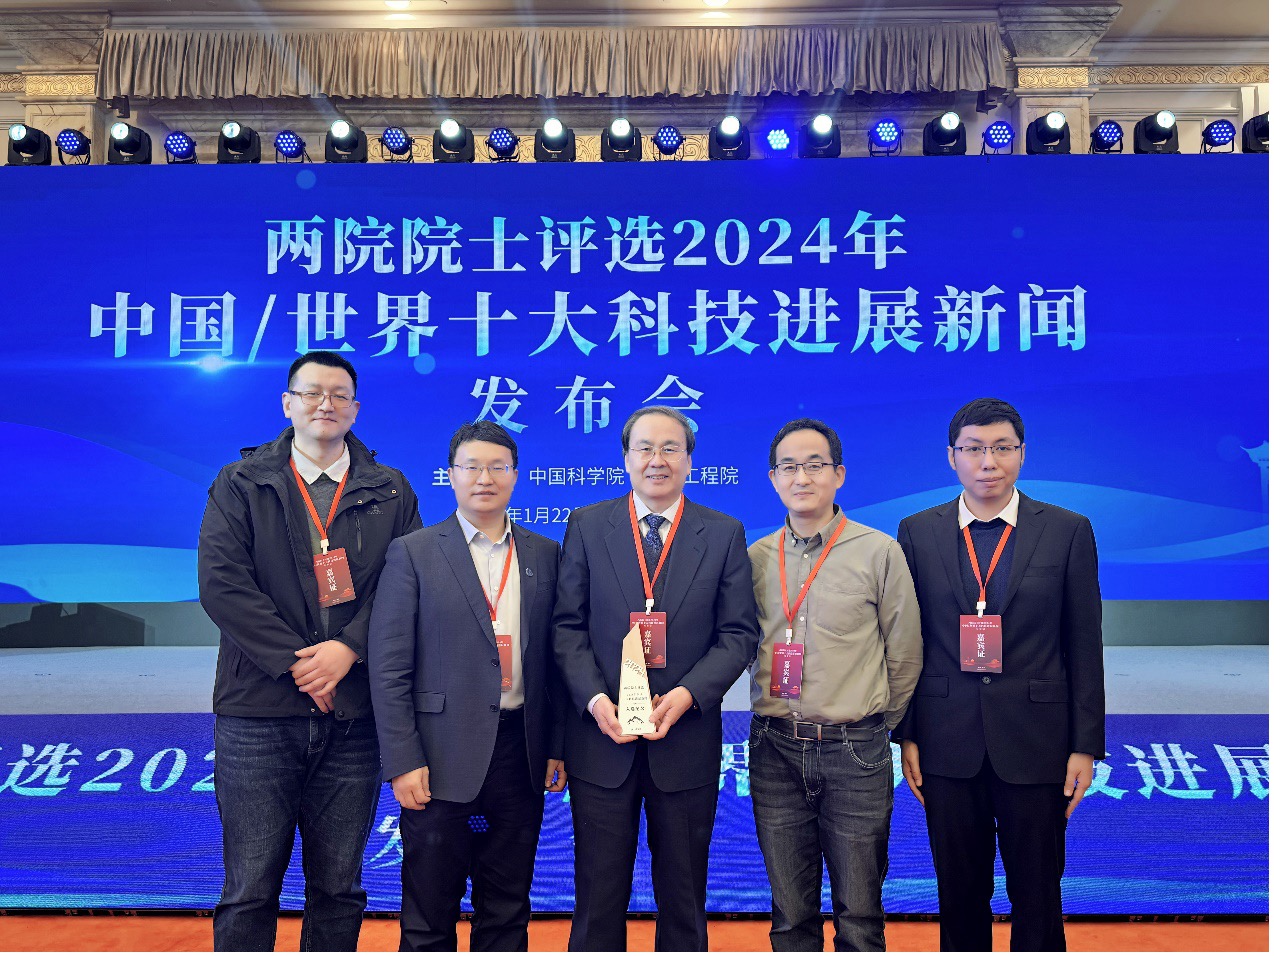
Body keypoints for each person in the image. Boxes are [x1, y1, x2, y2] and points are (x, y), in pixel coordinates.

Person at [198, 350, 422, 951]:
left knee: (339, 888)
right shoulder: (240, 482)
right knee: (249, 888)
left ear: (355, 408)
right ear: (287, 403)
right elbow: (222, 585)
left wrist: (347, 650)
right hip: (258, 712)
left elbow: (405, 586)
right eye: (312, 392)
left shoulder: (390, 489)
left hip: (354, 716)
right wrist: (301, 665)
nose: (326, 404)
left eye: (339, 394)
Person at [894, 397, 1105, 952]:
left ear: (1022, 453)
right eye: (974, 449)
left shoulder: (1067, 530)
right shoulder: (917, 532)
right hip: (945, 739)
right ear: (952, 457)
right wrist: (908, 733)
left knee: (1038, 892)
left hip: (1038, 741)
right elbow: (907, 642)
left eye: (1002, 448)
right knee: (958, 891)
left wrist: (1085, 745)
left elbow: (1084, 644)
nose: (988, 461)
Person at [553, 405, 760, 952]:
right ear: (626, 458)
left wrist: (689, 694)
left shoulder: (723, 533)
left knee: (684, 897)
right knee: (597, 898)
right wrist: (595, 701)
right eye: (644, 448)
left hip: (685, 740)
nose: (657, 460)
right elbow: (567, 627)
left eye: (671, 448)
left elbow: (739, 634)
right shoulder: (587, 525)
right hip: (603, 741)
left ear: (690, 461)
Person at [368, 420, 566, 951]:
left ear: (515, 475)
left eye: (498, 467)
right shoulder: (414, 552)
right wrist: (402, 759)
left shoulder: (545, 553)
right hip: (438, 754)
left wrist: (556, 745)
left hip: (520, 750)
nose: (485, 478)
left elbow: (556, 662)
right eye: (471, 466)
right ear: (451, 475)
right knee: (429, 909)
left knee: (507, 906)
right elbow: (389, 666)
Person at [749, 418, 922, 952]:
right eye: (788, 467)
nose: (801, 477)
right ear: (773, 478)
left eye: (815, 465)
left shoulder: (878, 551)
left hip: (855, 751)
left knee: (860, 916)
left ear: (839, 474)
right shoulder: (755, 558)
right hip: (774, 748)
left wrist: (872, 723)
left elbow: (905, 654)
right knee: (790, 916)